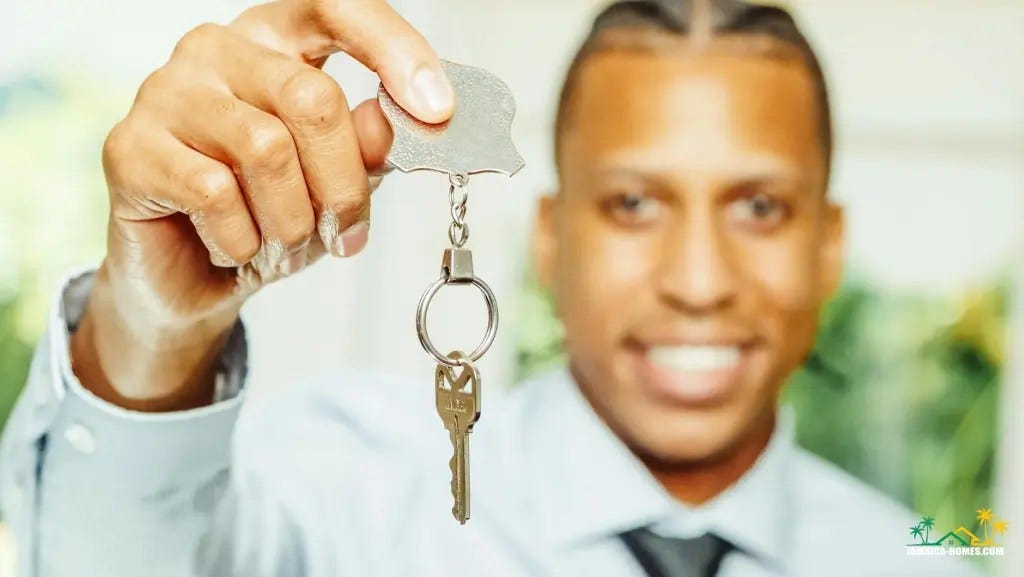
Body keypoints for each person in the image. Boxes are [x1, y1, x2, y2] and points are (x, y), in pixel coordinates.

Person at [0, 0, 981, 576]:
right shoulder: (348, 487)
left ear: (827, 244)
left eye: (759, 208)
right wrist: (151, 335)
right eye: (633, 202)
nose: (696, 281)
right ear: (548, 239)